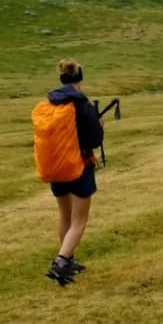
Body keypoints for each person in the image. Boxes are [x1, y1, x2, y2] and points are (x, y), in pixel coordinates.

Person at [33, 58, 105, 286]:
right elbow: (95, 139)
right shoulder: (82, 105)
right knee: (79, 220)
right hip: (79, 167)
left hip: (56, 168)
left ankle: (69, 259)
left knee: (65, 216)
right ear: (79, 79)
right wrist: (99, 125)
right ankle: (61, 262)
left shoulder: (51, 103)